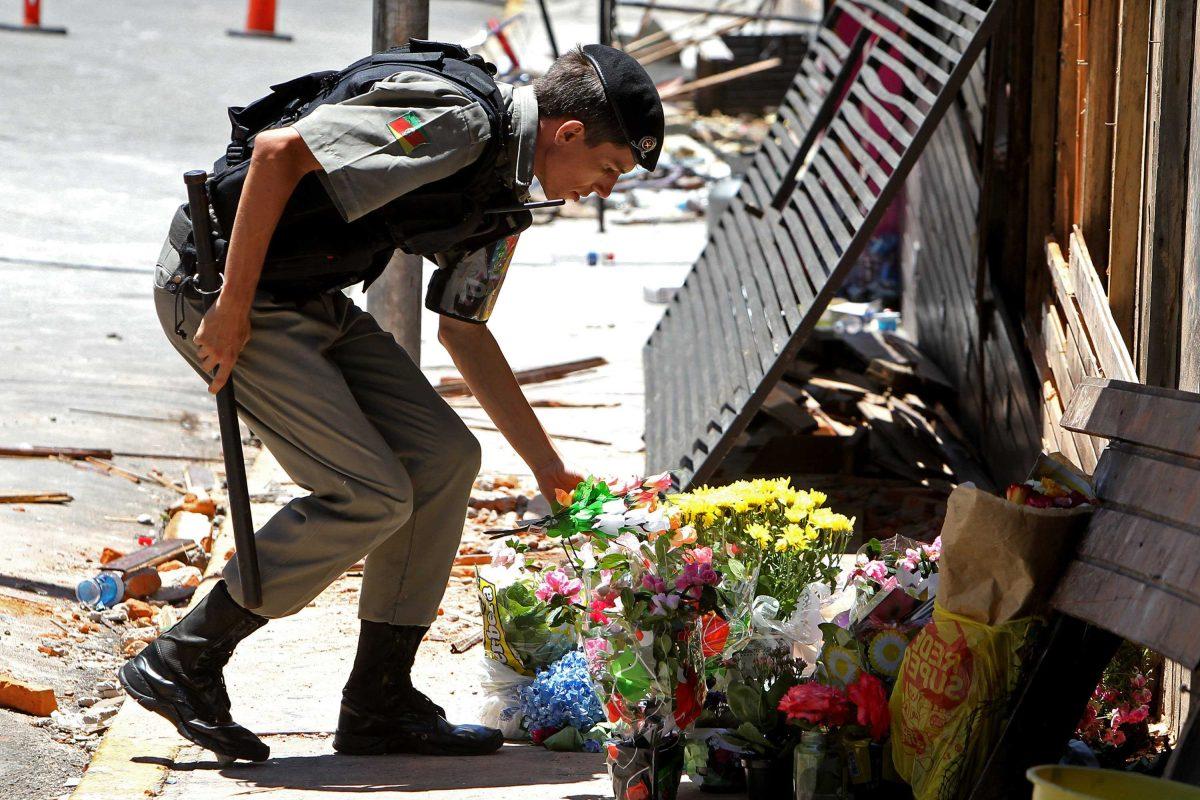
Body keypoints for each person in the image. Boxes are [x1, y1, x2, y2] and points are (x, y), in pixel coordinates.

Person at [119, 40, 664, 763]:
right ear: (568, 134)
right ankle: (183, 657)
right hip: (224, 292)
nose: (604, 188)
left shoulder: (507, 196)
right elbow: (281, 154)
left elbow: (465, 333)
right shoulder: (463, 122)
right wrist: (233, 307)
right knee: (367, 494)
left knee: (444, 458)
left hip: (306, 297)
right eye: (609, 168)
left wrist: (549, 471)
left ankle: (380, 700)